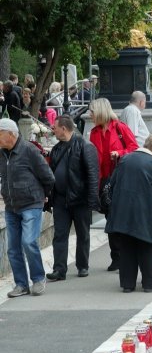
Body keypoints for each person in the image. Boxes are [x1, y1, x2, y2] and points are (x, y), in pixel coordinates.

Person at [105, 134, 152, 293]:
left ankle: (128, 284)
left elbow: (112, 184)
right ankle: (150, 283)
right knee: (147, 247)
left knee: (127, 246)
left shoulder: (125, 159)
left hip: (122, 211)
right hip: (144, 212)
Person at [0, 119, 55, 298]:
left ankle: (38, 278)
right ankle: (21, 284)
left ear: (11, 134)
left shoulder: (29, 150)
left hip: (31, 204)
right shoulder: (2, 154)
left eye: (0, 133)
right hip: (11, 206)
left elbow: (48, 177)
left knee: (28, 242)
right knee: (13, 248)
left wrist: (42, 196)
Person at [47, 116, 100, 281]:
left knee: (83, 234)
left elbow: (92, 175)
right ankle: (59, 269)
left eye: (55, 127)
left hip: (80, 199)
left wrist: (92, 200)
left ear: (64, 128)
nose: (52, 129)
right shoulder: (56, 149)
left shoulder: (85, 146)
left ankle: (83, 265)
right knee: (60, 234)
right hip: (61, 200)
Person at [88, 97, 138, 270]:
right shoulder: (94, 132)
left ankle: (126, 255)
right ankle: (116, 256)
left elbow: (135, 149)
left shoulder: (120, 128)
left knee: (121, 217)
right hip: (103, 182)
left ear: (101, 111)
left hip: (120, 180)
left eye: (92, 112)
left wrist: (120, 153)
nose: (90, 115)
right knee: (110, 219)